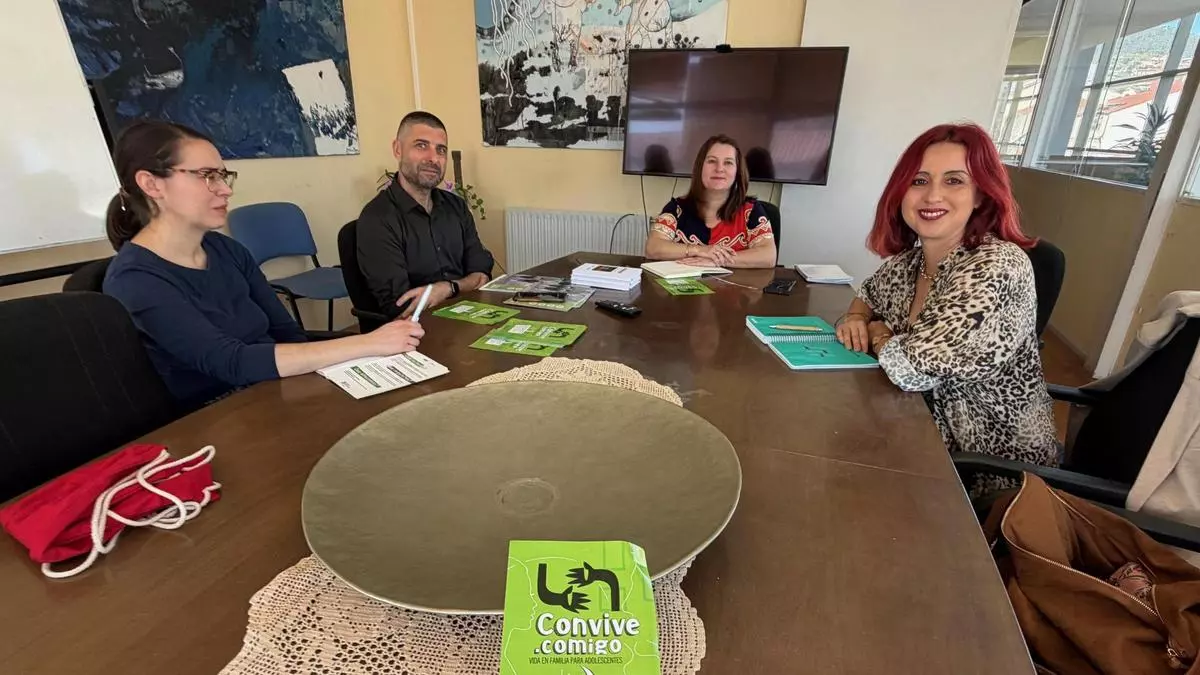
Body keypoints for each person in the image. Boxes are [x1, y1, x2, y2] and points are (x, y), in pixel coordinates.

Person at [103, 120, 424, 411]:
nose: (225, 189)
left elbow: (287, 334)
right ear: (152, 184)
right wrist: (367, 343)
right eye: (207, 176)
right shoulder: (135, 278)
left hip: (273, 392)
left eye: (223, 175)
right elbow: (231, 362)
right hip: (215, 418)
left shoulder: (227, 250)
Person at [835, 122, 1058, 476]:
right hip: (912, 430)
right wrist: (857, 318)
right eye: (919, 181)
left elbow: (910, 370)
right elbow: (867, 293)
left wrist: (878, 334)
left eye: (954, 181)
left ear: (981, 195)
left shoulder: (997, 264)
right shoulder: (911, 262)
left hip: (986, 468)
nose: (932, 196)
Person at [357, 111, 495, 319]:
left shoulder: (456, 207)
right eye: (421, 146)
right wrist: (464, 285)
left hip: (470, 316)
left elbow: (482, 274)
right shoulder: (377, 219)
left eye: (441, 150)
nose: (433, 158)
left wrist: (448, 288)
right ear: (397, 149)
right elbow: (401, 306)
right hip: (415, 329)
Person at [644, 135, 777, 269]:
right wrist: (699, 250)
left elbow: (769, 256)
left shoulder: (750, 211)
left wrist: (717, 261)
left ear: (738, 172)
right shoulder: (677, 208)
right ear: (700, 167)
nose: (719, 169)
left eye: (728, 162)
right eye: (712, 161)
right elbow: (652, 248)